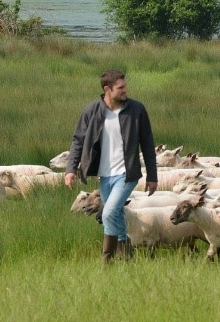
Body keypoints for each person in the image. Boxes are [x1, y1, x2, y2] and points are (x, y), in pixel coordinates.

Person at [65, 70, 158, 262]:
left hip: (127, 173)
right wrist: (70, 170)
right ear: (107, 89)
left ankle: (106, 259)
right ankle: (127, 258)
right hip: (104, 175)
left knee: (107, 212)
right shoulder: (92, 111)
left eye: (125, 86)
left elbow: (148, 144)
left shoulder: (137, 110)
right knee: (115, 216)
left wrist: (152, 176)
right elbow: (78, 141)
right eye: (121, 88)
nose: (125, 90)